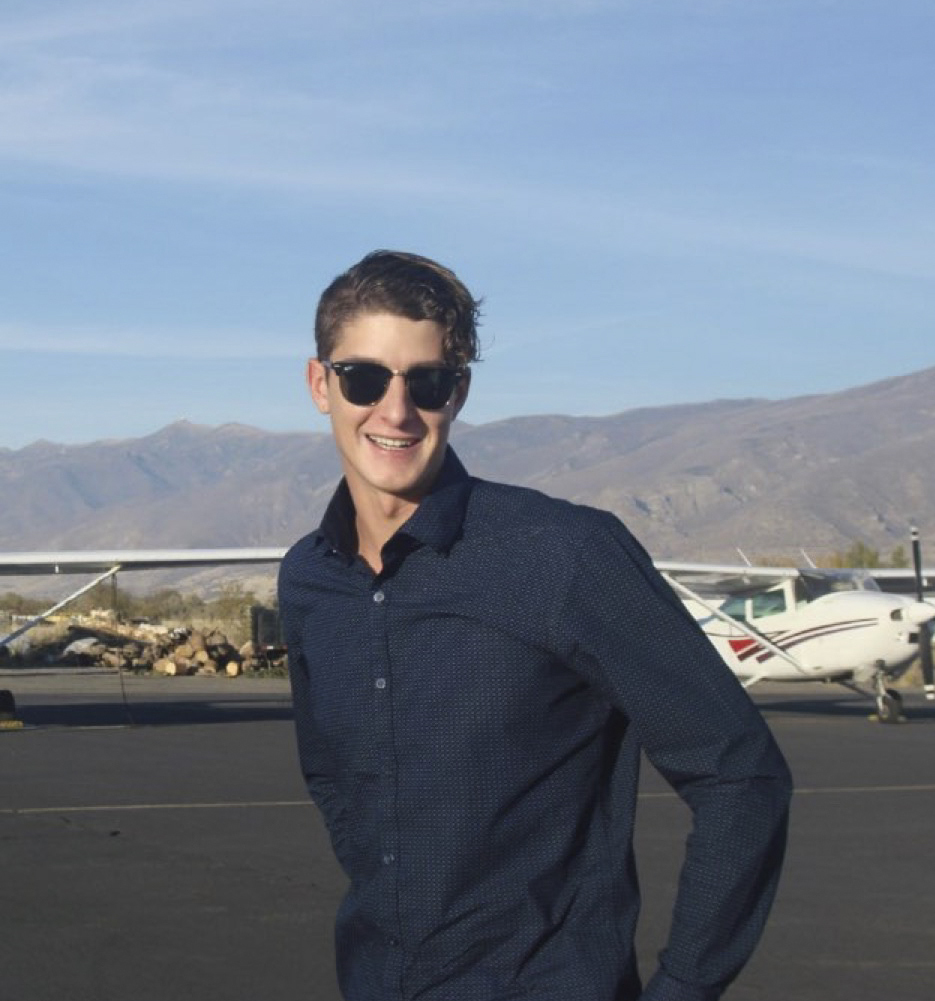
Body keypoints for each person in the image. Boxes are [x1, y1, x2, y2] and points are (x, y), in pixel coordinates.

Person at [280, 250, 792, 1001]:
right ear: (321, 385)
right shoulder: (310, 578)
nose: (395, 412)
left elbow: (740, 773)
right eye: (364, 378)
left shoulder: (566, 556)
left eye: (427, 382)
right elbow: (332, 774)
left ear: (459, 393)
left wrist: (684, 985)